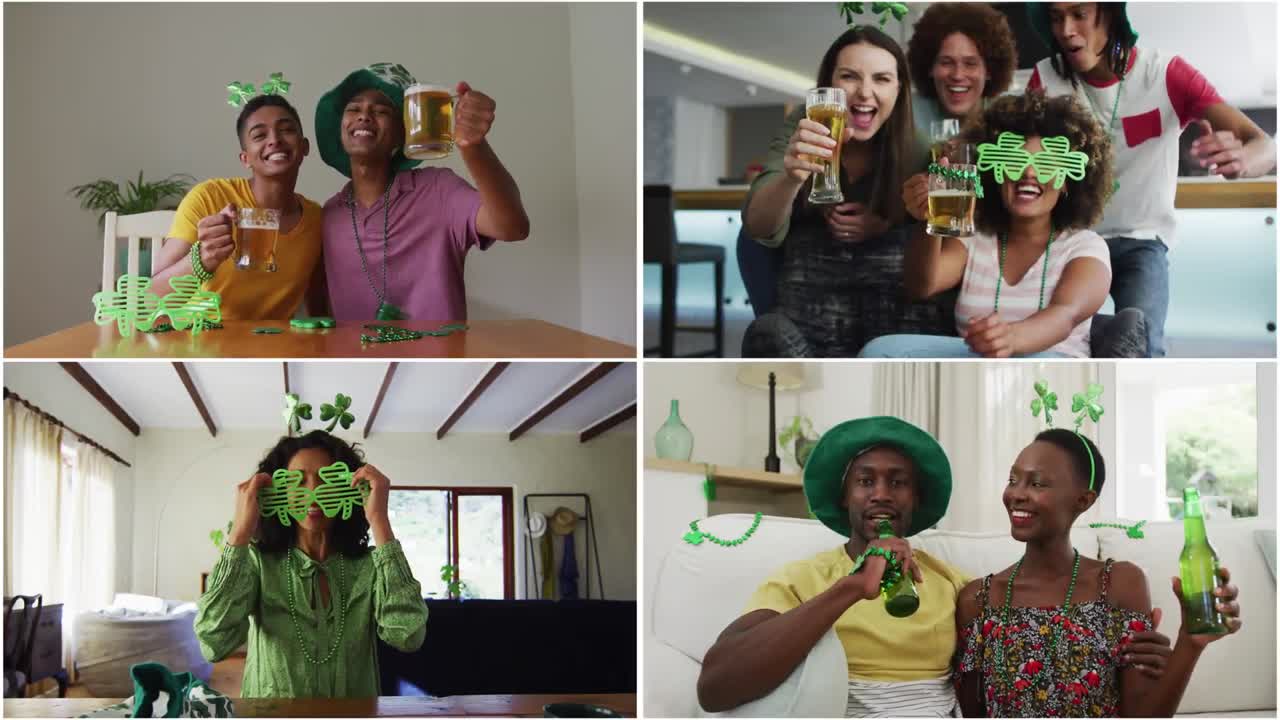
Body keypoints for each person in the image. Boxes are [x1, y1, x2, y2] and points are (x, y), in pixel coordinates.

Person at [695, 417, 1173, 716]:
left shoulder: (954, 586)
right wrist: (852, 587)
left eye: (898, 482)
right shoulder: (801, 578)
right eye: (865, 481)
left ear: (915, 498)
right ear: (844, 496)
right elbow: (715, 687)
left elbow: (1020, 661)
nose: (881, 494)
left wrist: (1141, 650)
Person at [1025, 2, 1276, 357]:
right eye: (1055, 17)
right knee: (1055, 344)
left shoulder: (1165, 73)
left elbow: (1264, 146)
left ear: (1110, 14)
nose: (1066, 30)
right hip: (1071, 240)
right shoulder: (1044, 79)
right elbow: (1021, 162)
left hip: (1141, 239)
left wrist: (1243, 161)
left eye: (1079, 14)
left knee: (1143, 348)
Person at [954, 428, 1243, 717]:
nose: (1016, 494)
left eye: (1037, 483)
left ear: (1084, 500)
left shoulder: (1119, 584)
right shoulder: (977, 600)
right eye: (1013, 480)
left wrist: (1190, 642)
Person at [741, 27, 952, 357]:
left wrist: (885, 220)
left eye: (882, 79)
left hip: (891, 310)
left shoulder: (917, 148)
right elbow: (757, 227)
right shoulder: (805, 125)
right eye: (849, 76)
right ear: (828, 85)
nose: (865, 92)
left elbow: (939, 239)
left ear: (899, 90)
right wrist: (791, 178)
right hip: (808, 295)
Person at [861, 91, 1115, 358]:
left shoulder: (1085, 247)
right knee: (879, 351)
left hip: (1053, 371)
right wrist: (930, 217)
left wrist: (1010, 338)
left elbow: (1065, 315)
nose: (1028, 173)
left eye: (1046, 165)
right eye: (1014, 161)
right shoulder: (975, 237)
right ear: (995, 173)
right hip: (976, 369)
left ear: (1067, 182)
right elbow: (921, 285)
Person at [195, 431, 427, 697]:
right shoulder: (258, 564)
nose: (313, 491)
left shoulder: (369, 567)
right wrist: (240, 532)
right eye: (298, 480)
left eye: (326, 479)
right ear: (277, 491)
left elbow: (408, 635)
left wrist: (379, 520)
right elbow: (213, 642)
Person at [313, 63, 529, 322]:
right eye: (353, 109)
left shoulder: (439, 190)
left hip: (440, 349)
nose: (364, 116)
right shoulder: (327, 216)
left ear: (402, 133)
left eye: (381, 110)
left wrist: (473, 146)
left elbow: (512, 227)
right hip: (352, 350)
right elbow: (318, 302)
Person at [151, 94, 325, 319]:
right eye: (259, 135)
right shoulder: (209, 197)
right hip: (200, 337)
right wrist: (202, 259)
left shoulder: (317, 220)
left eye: (286, 130)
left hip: (273, 340)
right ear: (245, 158)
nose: (274, 140)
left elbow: (318, 306)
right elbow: (150, 298)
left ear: (304, 147)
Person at [907, 2, 1019, 133]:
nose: (958, 75)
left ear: (989, 71)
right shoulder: (905, 115)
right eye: (946, 62)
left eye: (970, 64)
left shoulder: (1010, 119)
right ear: (930, 67)